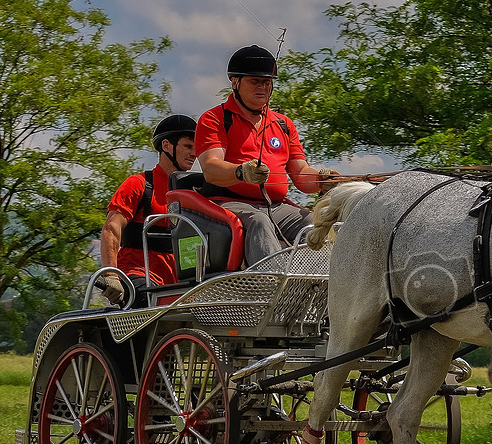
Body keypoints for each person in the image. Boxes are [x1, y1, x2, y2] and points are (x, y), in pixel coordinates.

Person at [194, 45, 333, 266]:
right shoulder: (214, 119)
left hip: (276, 206)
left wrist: (322, 181)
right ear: (235, 82)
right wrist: (242, 172)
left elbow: (300, 173)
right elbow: (211, 169)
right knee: (258, 221)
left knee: (314, 222)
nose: (262, 87)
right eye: (254, 81)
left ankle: (319, 284)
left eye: (267, 82)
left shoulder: (283, 124)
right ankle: (271, 283)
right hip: (228, 202)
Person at [99, 114, 198, 305]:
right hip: (137, 276)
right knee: (146, 300)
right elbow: (111, 229)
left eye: (196, 147)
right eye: (188, 146)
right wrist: (111, 275)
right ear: (166, 145)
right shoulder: (138, 185)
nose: (194, 153)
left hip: (178, 284)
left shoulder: (194, 194)